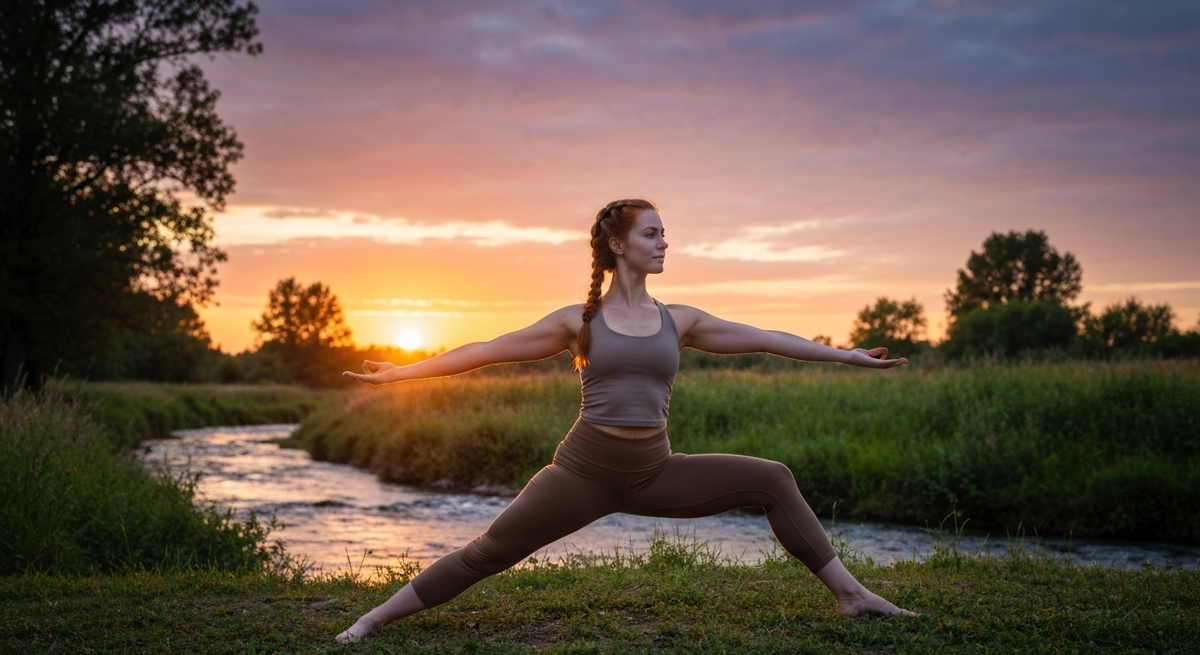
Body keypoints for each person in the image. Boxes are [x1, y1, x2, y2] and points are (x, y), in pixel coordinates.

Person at [335, 199, 917, 644]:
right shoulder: (577, 322)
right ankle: (371, 620)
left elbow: (765, 338)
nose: (665, 243)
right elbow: (487, 348)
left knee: (773, 478)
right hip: (582, 473)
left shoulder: (680, 320)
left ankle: (850, 595)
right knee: (488, 553)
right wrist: (399, 374)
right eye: (652, 233)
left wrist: (845, 356)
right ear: (618, 245)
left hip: (654, 470)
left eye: (664, 233)